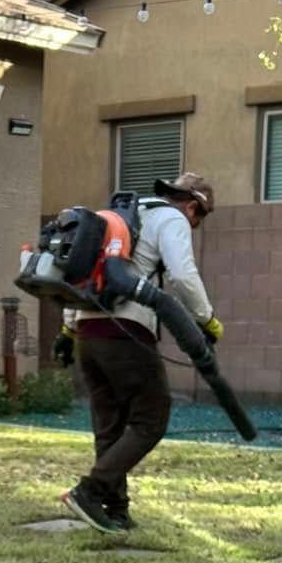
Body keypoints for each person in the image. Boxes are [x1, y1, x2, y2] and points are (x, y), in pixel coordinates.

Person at [62, 170, 222, 535]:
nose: (195, 225)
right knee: (152, 418)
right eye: (200, 216)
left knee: (109, 425)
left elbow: (81, 269)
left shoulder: (119, 216)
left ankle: (115, 510)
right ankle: (90, 492)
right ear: (191, 204)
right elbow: (182, 275)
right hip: (126, 331)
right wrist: (207, 319)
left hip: (88, 331)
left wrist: (69, 326)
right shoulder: (171, 217)